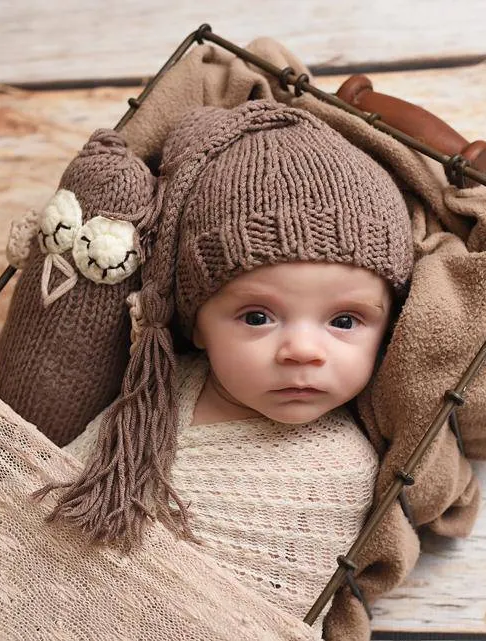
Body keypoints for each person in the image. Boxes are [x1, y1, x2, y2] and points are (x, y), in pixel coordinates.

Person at [55, 100, 414, 636]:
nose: (301, 350)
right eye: (257, 316)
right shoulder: (154, 396)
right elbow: (53, 492)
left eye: (344, 320)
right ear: (197, 326)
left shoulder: (341, 471)